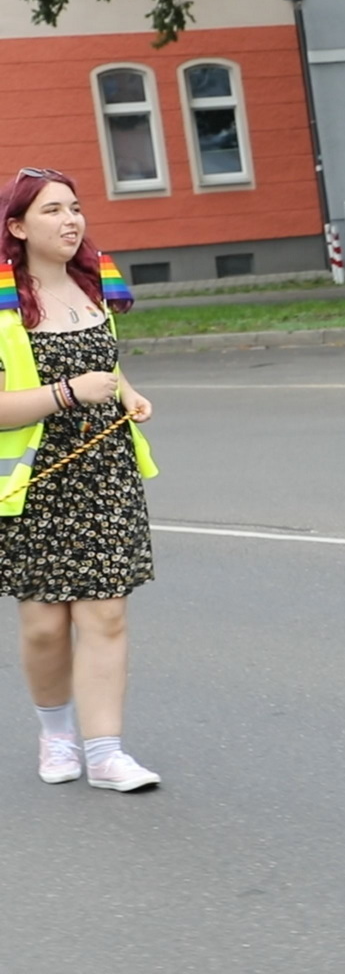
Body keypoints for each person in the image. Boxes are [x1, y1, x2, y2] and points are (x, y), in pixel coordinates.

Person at [0, 167, 160, 793]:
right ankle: (56, 732)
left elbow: (105, 368)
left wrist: (127, 392)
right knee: (45, 624)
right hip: (35, 484)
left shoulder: (93, 285)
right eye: (52, 211)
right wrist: (68, 393)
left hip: (105, 473)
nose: (71, 220)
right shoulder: (4, 306)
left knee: (106, 615)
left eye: (75, 207)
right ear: (17, 227)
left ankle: (107, 752)